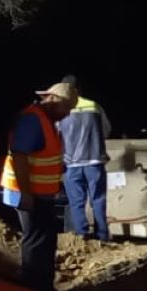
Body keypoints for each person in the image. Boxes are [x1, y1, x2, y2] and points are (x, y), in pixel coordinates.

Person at [2, 81, 76, 291]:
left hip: (39, 193)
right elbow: (20, 156)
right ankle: (34, 289)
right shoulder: (33, 120)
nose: (67, 114)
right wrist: (26, 193)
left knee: (44, 238)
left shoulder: (43, 119)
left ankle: (42, 286)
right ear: (52, 100)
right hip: (28, 193)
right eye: (66, 108)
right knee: (37, 240)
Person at [57, 77, 114, 243]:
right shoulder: (94, 106)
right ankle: (102, 235)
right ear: (79, 89)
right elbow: (106, 130)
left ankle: (82, 234)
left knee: (76, 202)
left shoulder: (61, 109)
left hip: (72, 164)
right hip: (94, 161)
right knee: (98, 199)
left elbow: (56, 136)